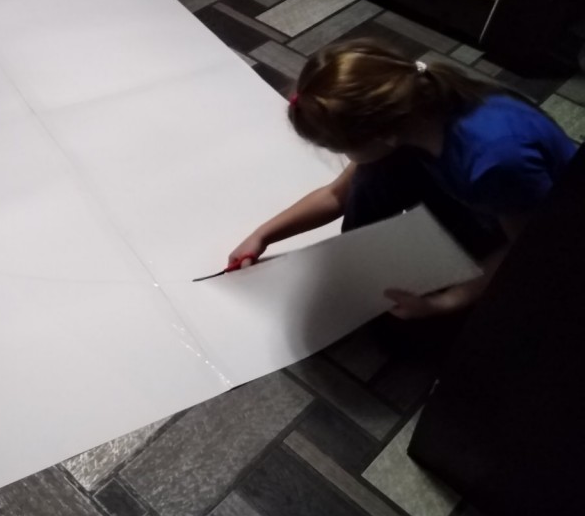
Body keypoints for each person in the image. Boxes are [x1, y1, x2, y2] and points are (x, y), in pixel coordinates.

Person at [227, 39, 577, 319]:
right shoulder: (414, 104)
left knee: (412, 338)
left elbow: (525, 248)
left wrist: (444, 303)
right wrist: (263, 236)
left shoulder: (493, 163)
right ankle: (366, 259)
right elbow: (337, 194)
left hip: (552, 229)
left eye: (342, 148)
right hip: (494, 199)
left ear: (383, 135)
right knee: (370, 178)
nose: (345, 157)